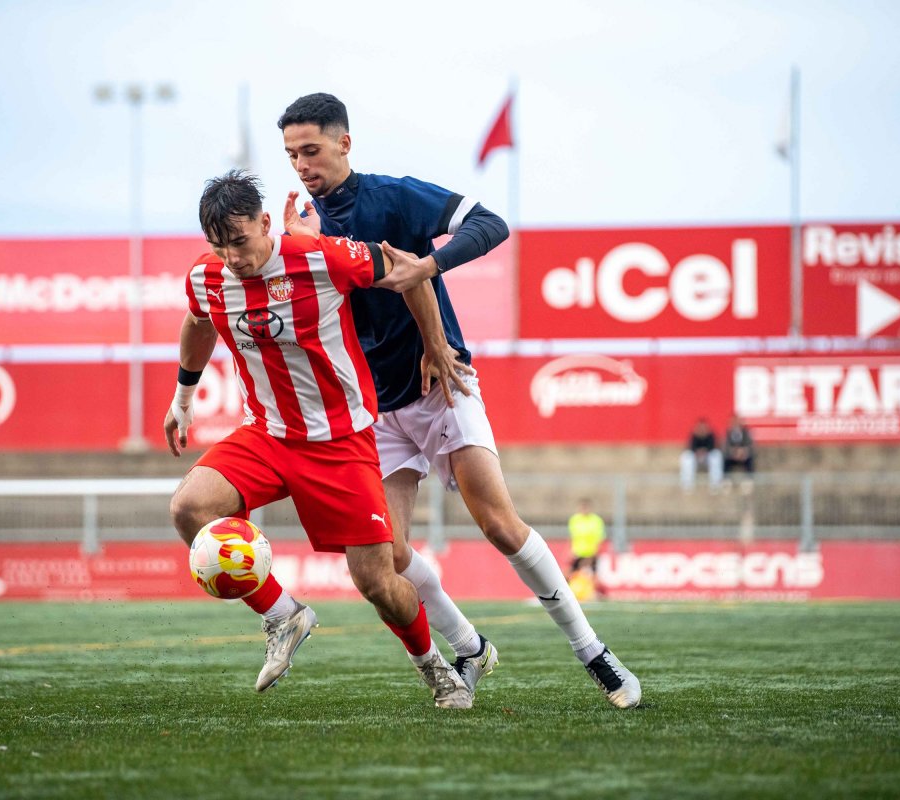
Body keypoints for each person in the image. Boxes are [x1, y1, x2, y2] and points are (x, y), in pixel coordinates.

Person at [277, 92, 640, 709]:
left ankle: (594, 653)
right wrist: (303, 248)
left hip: (440, 385)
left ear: (344, 142)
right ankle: (470, 648)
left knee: (498, 524)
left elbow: (490, 224)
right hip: (376, 409)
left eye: (310, 150)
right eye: (291, 155)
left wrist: (430, 270)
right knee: (388, 557)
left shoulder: (394, 197)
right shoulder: (304, 231)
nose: (301, 164)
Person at [164, 171, 471, 709]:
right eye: (219, 245)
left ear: (265, 223)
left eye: (240, 241)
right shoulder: (206, 277)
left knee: (378, 584)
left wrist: (435, 344)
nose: (233, 257)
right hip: (267, 435)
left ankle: (436, 668)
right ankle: (283, 615)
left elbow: (411, 271)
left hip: (341, 443)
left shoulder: (320, 257)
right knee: (189, 509)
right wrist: (182, 397)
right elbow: (197, 321)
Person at [567, 498, 606, 600]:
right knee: (569, 574)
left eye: (585, 508)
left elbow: (600, 538)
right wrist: (570, 551)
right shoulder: (574, 520)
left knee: (594, 577)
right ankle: (567, 594)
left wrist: (594, 554)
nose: (584, 510)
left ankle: (598, 595)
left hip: (591, 554)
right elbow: (573, 537)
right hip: (578, 553)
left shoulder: (596, 521)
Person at [680, 416, 723, 492]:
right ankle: (687, 483)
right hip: (696, 459)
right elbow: (690, 447)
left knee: (716, 455)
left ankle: (715, 483)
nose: (702, 429)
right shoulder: (694, 435)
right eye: (700, 427)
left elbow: (713, 446)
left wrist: (705, 451)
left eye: (704, 427)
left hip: (707, 459)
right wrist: (698, 452)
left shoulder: (711, 435)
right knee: (686, 456)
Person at [723, 414, 756, 484]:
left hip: (743, 456)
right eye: (734, 422)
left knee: (750, 459)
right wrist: (734, 452)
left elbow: (750, 445)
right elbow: (725, 446)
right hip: (732, 457)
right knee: (725, 460)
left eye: (737, 421)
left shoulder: (746, 432)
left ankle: (749, 480)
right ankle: (726, 480)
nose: (736, 424)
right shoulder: (728, 433)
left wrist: (743, 451)